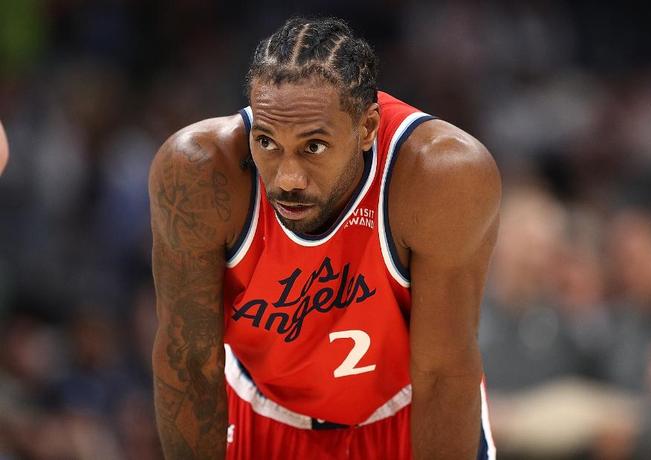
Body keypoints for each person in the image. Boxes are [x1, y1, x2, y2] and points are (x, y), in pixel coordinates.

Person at [149, 17, 500, 460]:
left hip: (410, 411)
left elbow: (443, 373)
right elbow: (190, 363)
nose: (287, 179)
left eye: (313, 146)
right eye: (267, 142)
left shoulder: (440, 176)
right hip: (260, 409)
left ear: (367, 128)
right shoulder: (199, 172)